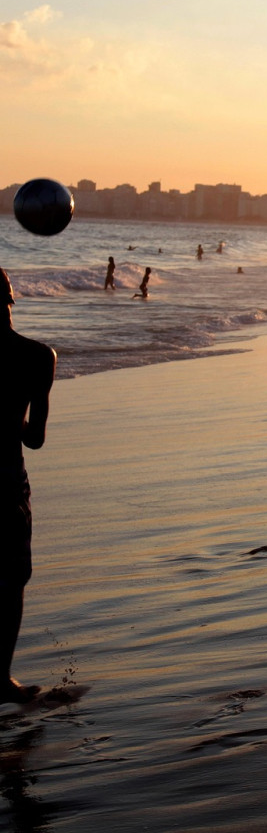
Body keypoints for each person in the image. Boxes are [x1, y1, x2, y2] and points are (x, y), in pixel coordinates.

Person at [0, 268, 55, 702]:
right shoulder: (39, 357)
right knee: (11, 579)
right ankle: (1, 677)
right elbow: (35, 439)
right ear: (11, 302)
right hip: (7, 483)